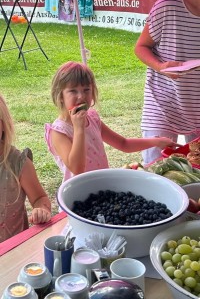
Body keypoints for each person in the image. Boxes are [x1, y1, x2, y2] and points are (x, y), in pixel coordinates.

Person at [45, 61, 177, 181]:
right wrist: (78, 128)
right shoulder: (59, 131)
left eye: (86, 90)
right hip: (78, 192)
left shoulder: (92, 118)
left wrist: (156, 141)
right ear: (60, 96)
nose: (81, 96)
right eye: (73, 91)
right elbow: (76, 169)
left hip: (103, 184)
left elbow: (123, 144)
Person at [134, 0, 200, 166]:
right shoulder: (169, 5)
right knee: (156, 169)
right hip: (163, 101)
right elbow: (141, 47)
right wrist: (160, 66)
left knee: (195, 175)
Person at [0, 94, 51, 243]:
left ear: (3, 125)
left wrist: (41, 209)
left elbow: (40, 198)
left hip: (13, 248)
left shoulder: (18, 163)